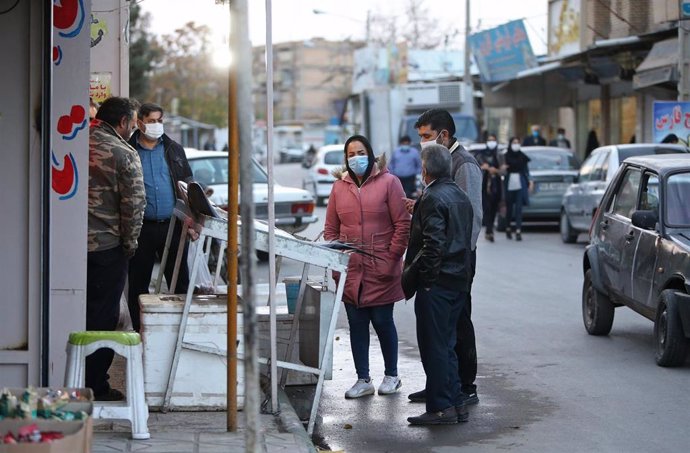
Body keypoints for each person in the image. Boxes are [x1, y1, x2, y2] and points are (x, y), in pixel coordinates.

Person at [324, 134, 410, 399]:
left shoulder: (390, 183)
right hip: (351, 269)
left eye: (360, 152)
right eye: (350, 154)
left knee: (383, 321)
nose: (355, 158)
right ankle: (363, 379)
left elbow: (403, 224)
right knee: (356, 324)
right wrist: (337, 263)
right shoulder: (339, 187)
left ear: (370, 154)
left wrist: (392, 257)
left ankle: (392, 376)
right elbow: (330, 230)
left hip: (381, 265)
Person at [407, 108, 482, 407]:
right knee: (439, 332)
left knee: (457, 325)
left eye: (426, 136)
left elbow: (470, 217)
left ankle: (464, 387)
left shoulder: (464, 164)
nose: (423, 142)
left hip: (455, 262)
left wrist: (452, 261)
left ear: (444, 135)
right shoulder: (441, 162)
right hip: (446, 258)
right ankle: (439, 384)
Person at [402, 144, 473, 425]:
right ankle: (456, 404)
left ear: (426, 169)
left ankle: (440, 408)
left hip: (439, 284)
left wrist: (428, 283)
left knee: (435, 346)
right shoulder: (459, 195)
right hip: (458, 282)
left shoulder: (433, 197)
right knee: (447, 344)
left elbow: (434, 245)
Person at [87, 96, 146, 400]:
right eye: (133, 124)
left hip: (63, 247)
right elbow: (134, 206)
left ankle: (62, 373)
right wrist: (130, 244)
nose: (133, 129)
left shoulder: (71, 142)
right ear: (122, 123)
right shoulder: (124, 152)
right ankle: (94, 385)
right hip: (106, 249)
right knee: (102, 317)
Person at [127, 102, 193, 332]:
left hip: (173, 226)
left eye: (160, 121)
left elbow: (188, 184)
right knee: (138, 283)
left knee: (179, 281)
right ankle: (140, 332)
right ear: (140, 122)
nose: (157, 125)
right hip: (141, 228)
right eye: (152, 121)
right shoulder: (128, 149)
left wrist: (192, 219)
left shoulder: (174, 149)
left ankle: (180, 332)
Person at [475, 134, 503, 242]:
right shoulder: (481, 155)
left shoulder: (499, 155)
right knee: (487, 207)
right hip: (484, 184)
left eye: (493, 140)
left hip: (496, 184)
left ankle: (490, 229)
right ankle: (489, 230)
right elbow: (476, 167)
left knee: (494, 207)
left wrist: (496, 170)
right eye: (489, 140)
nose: (491, 142)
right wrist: (484, 168)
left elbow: (504, 169)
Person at [504, 137, 532, 241]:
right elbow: (502, 170)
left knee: (519, 208)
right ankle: (508, 227)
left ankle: (518, 230)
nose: (516, 144)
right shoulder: (506, 156)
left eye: (518, 142)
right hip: (509, 182)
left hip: (520, 182)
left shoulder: (522, 156)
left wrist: (530, 181)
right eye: (514, 142)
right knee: (509, 207)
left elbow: (526, 171)